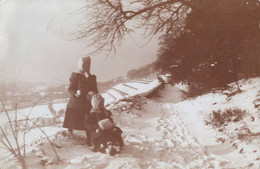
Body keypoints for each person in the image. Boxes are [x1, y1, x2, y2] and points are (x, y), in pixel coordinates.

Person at [63, 56, 98, 146]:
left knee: (88, 123)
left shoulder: (92, 77)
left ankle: (89, 141)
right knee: (72, 123)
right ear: (81, 65)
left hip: (87, 103)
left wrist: (93, 93)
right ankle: (70, 140)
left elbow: (95, 89)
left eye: (88, 64)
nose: (87, 66)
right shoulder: (76, 75)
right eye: (85, 64)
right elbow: (70, 88)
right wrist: (75, 93)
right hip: (76, 103)